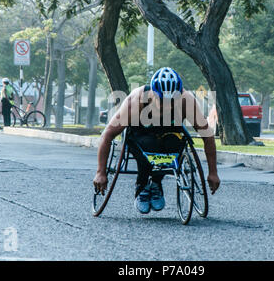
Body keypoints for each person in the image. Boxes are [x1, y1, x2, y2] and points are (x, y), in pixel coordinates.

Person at [94, 67, 220, 214]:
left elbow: (208, 136)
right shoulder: (137, 99)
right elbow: (107, 135)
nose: (167, 106)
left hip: (170, 133)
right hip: (140, 135)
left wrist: (213, 172)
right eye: (162, 101)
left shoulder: (187, 101)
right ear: (153, 93)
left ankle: (156, 183)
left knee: (174, 144)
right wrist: (100, 172)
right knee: (149, 145)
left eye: (172, 102)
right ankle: (142, 185)